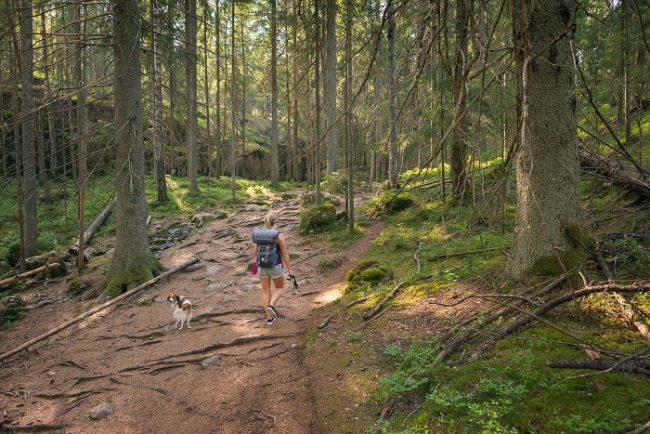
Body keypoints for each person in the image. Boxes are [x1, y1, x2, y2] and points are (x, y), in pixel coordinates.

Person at [251, 212, 293, 325]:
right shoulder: (279, 236)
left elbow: (254, 253)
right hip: (276, 266)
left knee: (265, 292)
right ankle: (271, 305)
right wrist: (290, 269)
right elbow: (284, 253)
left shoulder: (258, 235)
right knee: (279, 287)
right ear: (276, 223)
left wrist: (255, 264)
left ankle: (269, 318)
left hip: (262, 266)